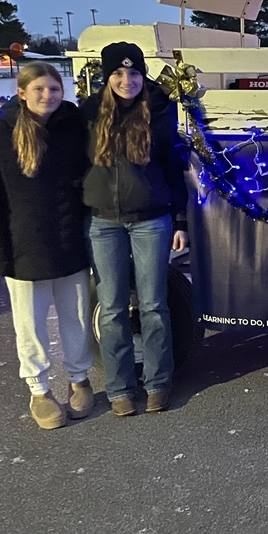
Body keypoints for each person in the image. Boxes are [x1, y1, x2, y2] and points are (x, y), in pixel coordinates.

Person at [0, 62, 95, 429]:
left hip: (70, 242)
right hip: (23, 248)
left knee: (75, 318)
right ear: (22, 92)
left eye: (54, 89)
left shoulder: (73, 129)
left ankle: (80, 379)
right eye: (40, 90)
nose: (48, 96)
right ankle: (40, 389)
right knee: (30, 325)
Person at [81, 42, 189, 417]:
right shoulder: (89, 113)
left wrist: (180, 220)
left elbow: (174, 169)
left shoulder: (159, 112)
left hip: (151, 221)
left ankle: (159, 383)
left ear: (143, 75)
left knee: (154, 305)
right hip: (102, 222)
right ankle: (120, 388)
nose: (126, 80)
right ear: (106, 77)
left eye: (134, 73)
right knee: (111, 309)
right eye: (118, 73)